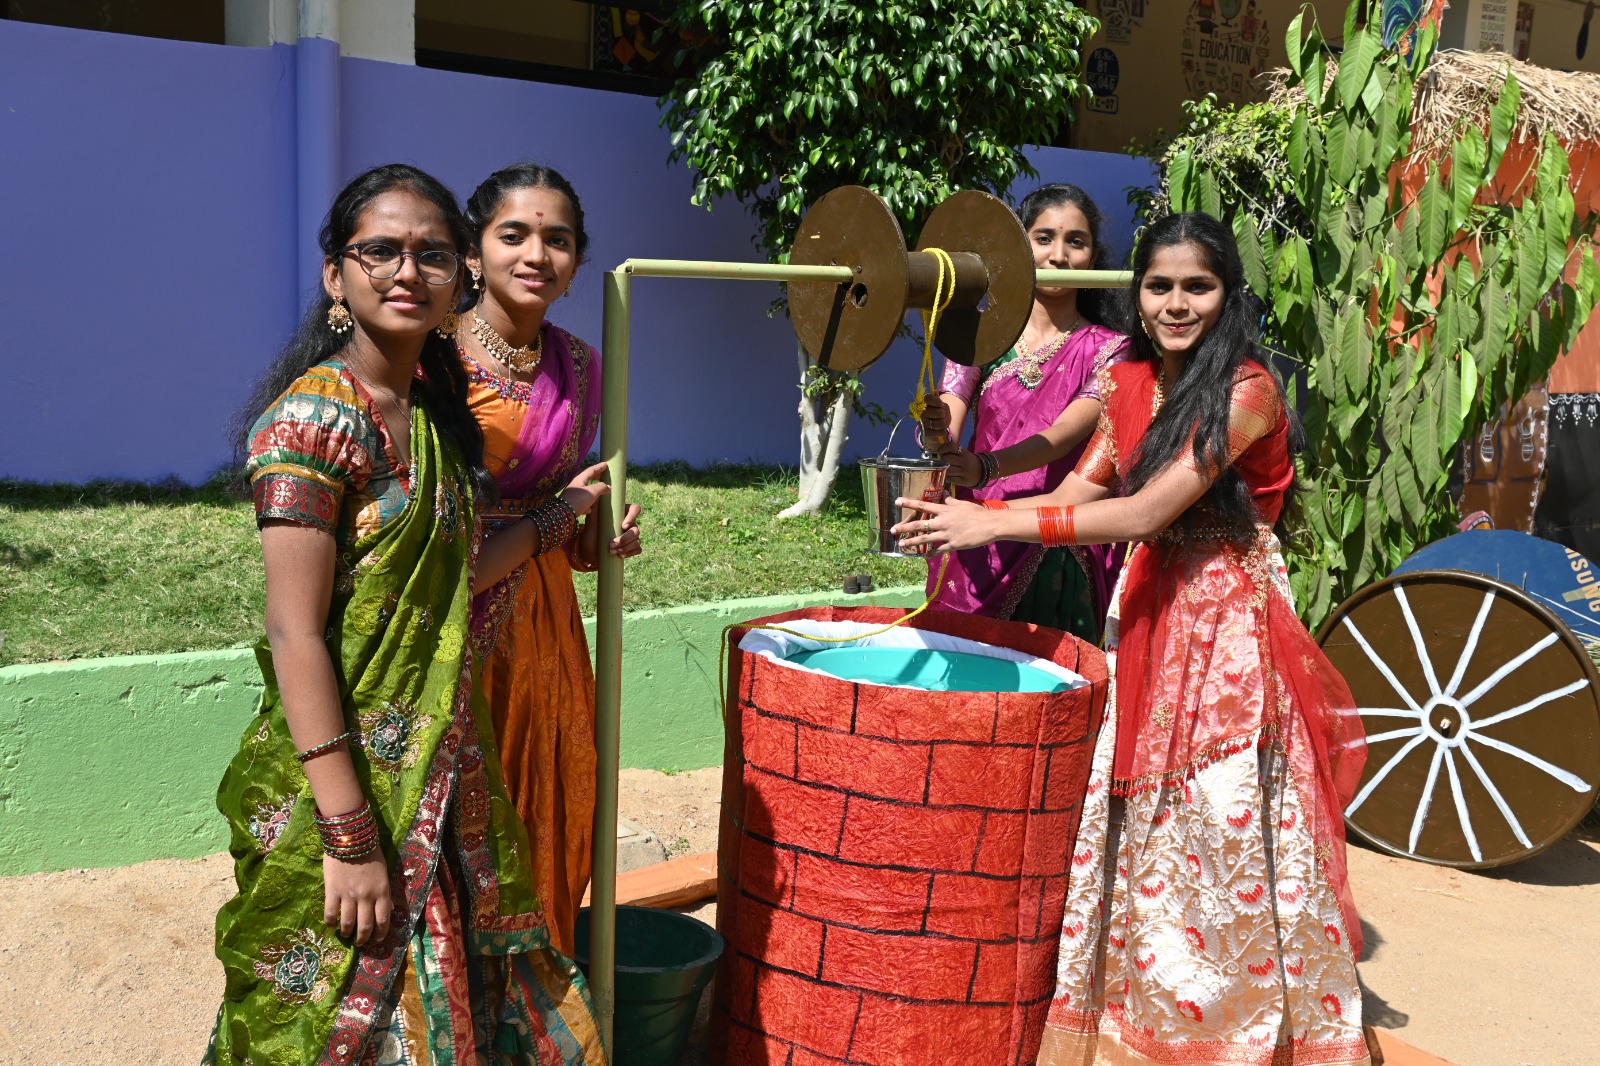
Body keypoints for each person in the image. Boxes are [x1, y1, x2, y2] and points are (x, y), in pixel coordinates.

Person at [893, 213, 1378, 1066]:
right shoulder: (1128, 381)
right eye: (1159, 286)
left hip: (1226, 624)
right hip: (1147, 607)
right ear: (1137, 292)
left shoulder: (1249, 391)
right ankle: (1140, 1013)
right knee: (1136, 817)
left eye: (1198, 287)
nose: (1176, 304)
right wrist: (968, 508)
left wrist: (991, 523)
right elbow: (1079, 491)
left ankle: (1236, 1025)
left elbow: (1147, 511)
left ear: (1228, 294)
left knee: (1223, 813)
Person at [210, 164, 606, 1065]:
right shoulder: (311, 423)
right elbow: (294, 632)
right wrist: (349, 835)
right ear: (335, 276)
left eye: (431, 254)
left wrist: (557, 521)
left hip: (445, 760)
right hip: (348, 778)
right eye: (380, 251)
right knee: (327, 1019)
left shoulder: (431, 417)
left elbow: (457, 576)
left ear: (457, 276)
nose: (407, 271)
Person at [456, 163, 641, 958]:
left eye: (557, 240)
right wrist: (558, 516)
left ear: (576, 262)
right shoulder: (430, 355)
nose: (537, 255)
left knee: (552, 800)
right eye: (514, 235)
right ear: (473, 252)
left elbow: (569, 506)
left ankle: (537, 987)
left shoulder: (583, 366)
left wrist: (597, 535)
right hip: (450, 617)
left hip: (547, 629)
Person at [917, 184, 1129, 640]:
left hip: (1057, 541)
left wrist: (985, 467)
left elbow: (1064, 434)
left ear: (1093, 257)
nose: (1059, 255)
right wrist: (936, 432)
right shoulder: (979, 333)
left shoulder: (1112, 350)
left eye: (1076, 242)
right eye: (1044, 238)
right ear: (1020, 247)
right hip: (974, 532)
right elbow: (950, 416)